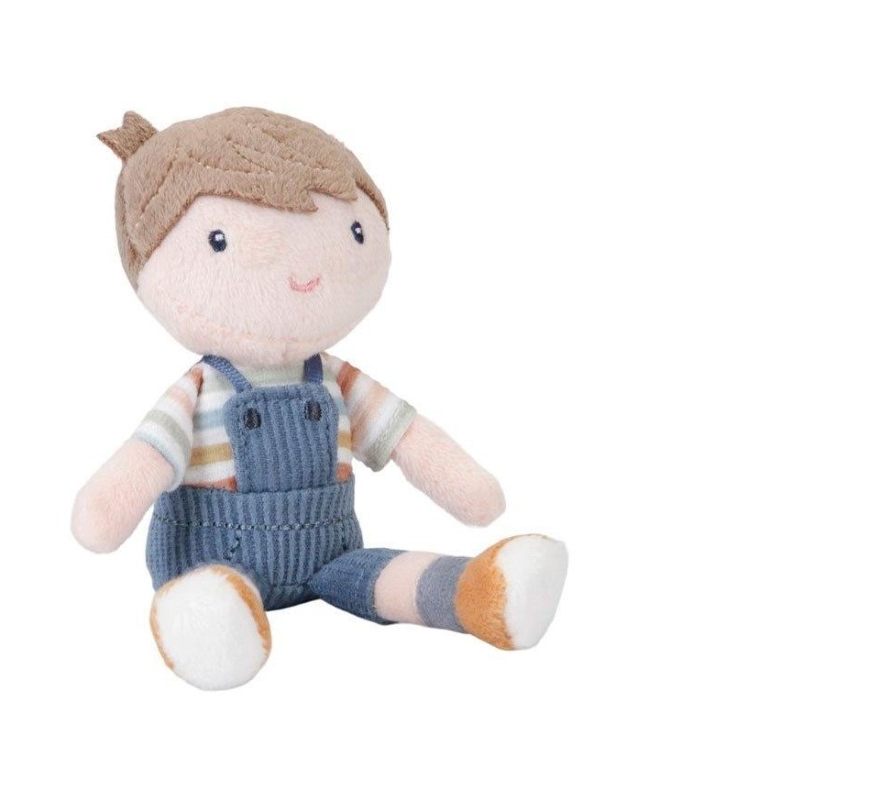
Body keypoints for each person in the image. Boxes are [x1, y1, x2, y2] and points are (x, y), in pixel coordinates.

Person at [72, 107, 568, 690]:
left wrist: (468, 488)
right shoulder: (200, 391)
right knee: (211, 594)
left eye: (353, 232)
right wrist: (105, 511)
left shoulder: (337, 379)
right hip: (215, 559)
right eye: (220, 240)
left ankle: (484, 592)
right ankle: (205, 620)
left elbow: (405, 436)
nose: (303, 272)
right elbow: (147, 457)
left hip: (331, 556)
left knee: (385, 578)